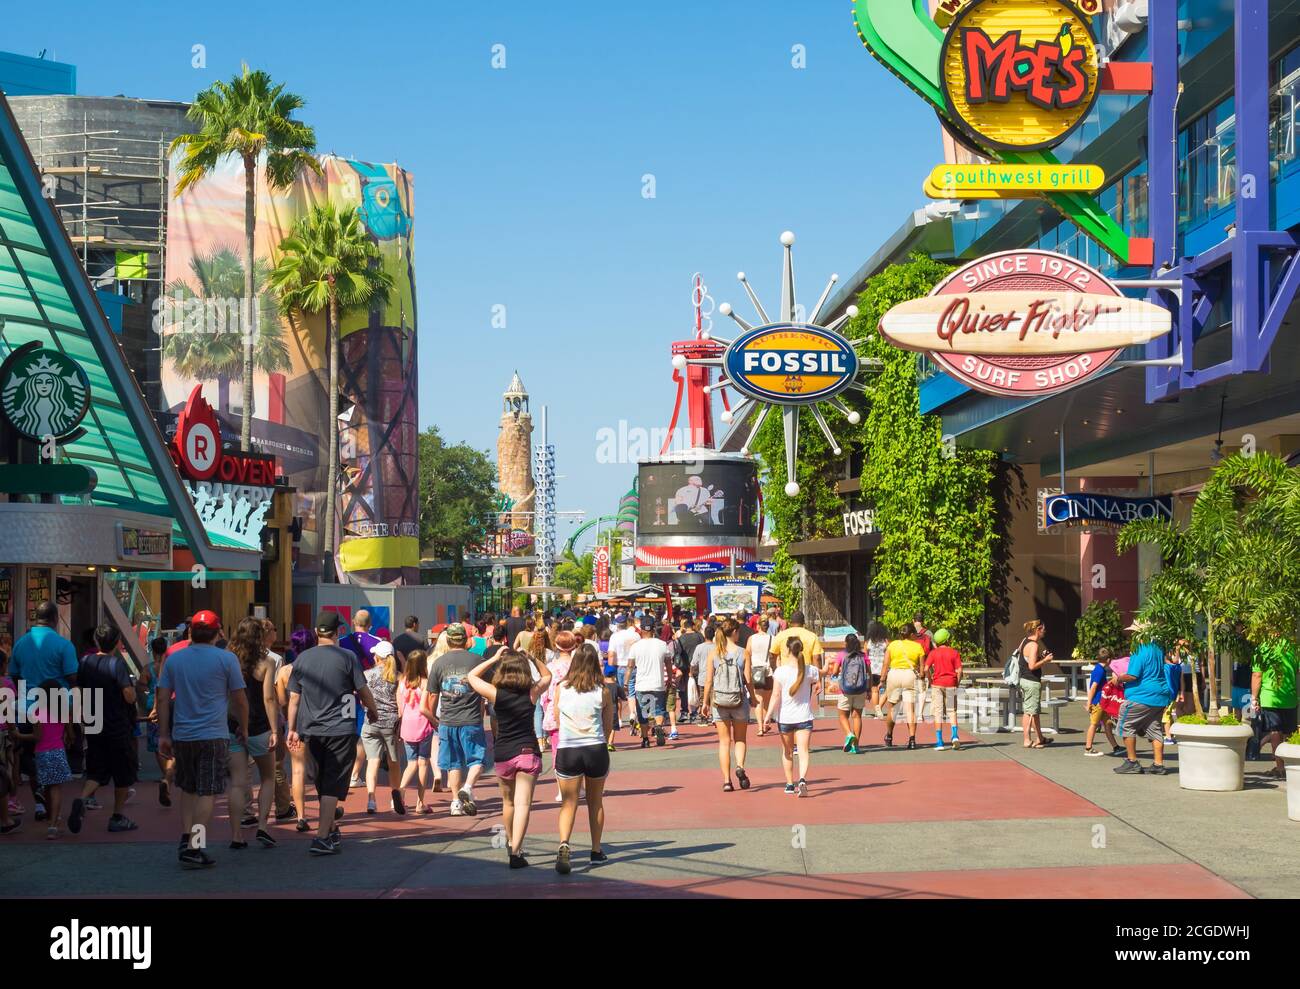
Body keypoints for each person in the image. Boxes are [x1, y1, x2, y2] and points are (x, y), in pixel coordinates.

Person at [156, 610, 246, 868]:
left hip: (183, 734)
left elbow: (163, 698)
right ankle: (195, 846)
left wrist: (164, 733)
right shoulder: (227, 659)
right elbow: (239, 698)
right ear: (218, 632)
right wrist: (244, 726)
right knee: (207, 791)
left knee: (189, 787)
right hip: (213, 734)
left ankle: (187, 838)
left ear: (191, 631)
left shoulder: (174, 659)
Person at [287, 610, 378, 855]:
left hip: (311, 730)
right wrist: (373, 711)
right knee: (331, 784)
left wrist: (291, 729)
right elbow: (363, 690)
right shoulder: (347, 657)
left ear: (317, 632)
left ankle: (332, 828)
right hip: (341, 728)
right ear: (338, 631)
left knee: (321, 781)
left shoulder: (302, 660)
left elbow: (294, 698)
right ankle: (321, 837)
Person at [467, 649, 551, 868]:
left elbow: (471, 677)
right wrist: (533, 658)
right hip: (527, 752)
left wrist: (494, 659)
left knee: (509, 802)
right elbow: (548, 676)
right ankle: (516, 852)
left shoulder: (496, 693)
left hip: (503, 754)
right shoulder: (531, 693)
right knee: (524, 803)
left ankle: (512, 841)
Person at [68, 624, 139, 836]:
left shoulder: (85, 662)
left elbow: (78, 690)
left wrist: (77, 715)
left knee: (97, 769)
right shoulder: (116, 664)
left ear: (97, 642)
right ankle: (117, 816)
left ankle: (82, 799)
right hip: (117, 725)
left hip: (94, 724)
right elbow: (128, 695)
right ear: (117, 642)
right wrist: (133, 693)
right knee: (123, 773)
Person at [9, 601, 77, 820]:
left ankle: (39, 803)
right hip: (56, 710)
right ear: (56, 619)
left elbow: (15, 676)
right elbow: (72, 678)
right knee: (55, 756)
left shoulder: (20, 644)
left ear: (35, 618)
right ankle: (52, 807)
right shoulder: (63, 645)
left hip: (28, 708)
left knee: (31, 757)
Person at [552, 643, 614, 874]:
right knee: (595, 801)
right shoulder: (603, 690)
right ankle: (596, 851)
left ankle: (564, 843)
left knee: (569, 802)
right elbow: (608, 726)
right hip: (595, 748)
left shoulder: (562, 688)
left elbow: (558, 720)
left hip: (569, 749)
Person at [224, 617, 279, 849]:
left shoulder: (228, 660)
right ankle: (263, 826)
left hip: (232, 726)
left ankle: (236, 834)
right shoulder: (266, 662)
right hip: (259, 726)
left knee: (237, 782)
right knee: (267, 778)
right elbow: (268, 698)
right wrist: (276, 729)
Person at [424, 623, 489, 817]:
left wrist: (434, 717)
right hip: (472, 718)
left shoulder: (439, 663)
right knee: (477, 759)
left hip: (448, 719)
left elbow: (432, 695)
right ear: (465, 640)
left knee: (453, 763)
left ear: (449, 640)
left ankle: (455, 802)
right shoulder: (477, 660)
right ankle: (467, 787)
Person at [701, 618, 752, 791]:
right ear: (735, 632)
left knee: (724, 742)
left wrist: (705, 702)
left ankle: (726, 781)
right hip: (739, 700)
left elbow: (708, 681)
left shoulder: (714, 653)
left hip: (719, 701)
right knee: (740, 739)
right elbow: (748, 680)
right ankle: (740, 766)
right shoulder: (743, 652)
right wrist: (753, 697)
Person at [1113, 628, 1173, 775]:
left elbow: (1133, 675)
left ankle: (1132, 761)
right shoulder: (1158, 648)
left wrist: (1119, 678)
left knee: (1126, 724)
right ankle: (1158, 764)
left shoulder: (1139, 650)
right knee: (1154, 728)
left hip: (1141, 695)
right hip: (1159, 695)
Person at [765, 638, 820, 796]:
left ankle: (790, 784)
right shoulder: (810, 670)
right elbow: (818, 678)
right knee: (803, 751)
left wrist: (768, 715)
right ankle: (802, 778)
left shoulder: (780, 671)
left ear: (787, 651)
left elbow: (775, 695)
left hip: (786, 718)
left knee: (787, 752)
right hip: (804, 716)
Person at [362, 640, 405, 814]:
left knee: (372, 761)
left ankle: (371, 800)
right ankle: (395, 796)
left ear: (378, 658)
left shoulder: (366, 674)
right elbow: (400, 703)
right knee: (393, 762)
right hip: (391, 723)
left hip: (371, 722)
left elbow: (362, 698)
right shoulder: (398, 676)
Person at [341, 610, 380, 789]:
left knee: (347, 732)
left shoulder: (341, 642)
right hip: (368, 696)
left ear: (352, 621)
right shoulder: (378, 643)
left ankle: (344, 771)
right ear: (370, 623)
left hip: (346, 696)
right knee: (363, 736)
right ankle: (355, 774)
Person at [274, 642, 310, 833]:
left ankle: (301, 815)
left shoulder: (284, 671)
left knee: (297, 771)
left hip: (293, 723)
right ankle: (329, 810)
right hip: (315, 721)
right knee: (320, 769)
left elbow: (281, 701)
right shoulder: (313, 667)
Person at [397, 649, 437, 813]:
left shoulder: (402, 682)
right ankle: (420, 803)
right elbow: (428, 708)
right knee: (423, 763)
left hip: (407, 725)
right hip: (423, 725)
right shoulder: (426, 683)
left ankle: (399, 792)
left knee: (411, 763)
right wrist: (435, 722)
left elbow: (400, 709)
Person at [1251, 638, 1298, 778]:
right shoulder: (1292, 646)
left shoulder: (1262, 648)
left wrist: (1254, 697)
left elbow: (1257, 675)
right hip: (1289, 696)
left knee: (1275, 731)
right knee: (1289, 732)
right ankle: (1291, 765)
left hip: (1270, 696)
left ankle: (1280, 767)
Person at [627, 616, 672, 747]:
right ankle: (658, 726)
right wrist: (669, 677)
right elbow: (668, 664)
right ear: (653, 629)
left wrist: (626, 682)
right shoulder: (662, 644)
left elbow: (630, 666)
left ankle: (645, 739)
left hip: (641, 684)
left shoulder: (635, 646)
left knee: (643, 712)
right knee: (659, 709)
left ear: (641, 630)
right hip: (658, 683)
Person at [879, 625, 925, 749]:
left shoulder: (892, 645)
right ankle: (912, 739)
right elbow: (922, 669)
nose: (916, 636)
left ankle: (889, 735)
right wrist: (921, 676)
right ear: (911, 635)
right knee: (910, 709)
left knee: (893, 709)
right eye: (914, 634)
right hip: (909, 676)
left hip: (894, 674)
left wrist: (882, 678)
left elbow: (885, 664)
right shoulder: (918, 647)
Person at [830, 633, 869, 753]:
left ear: (846, 643)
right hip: (861, 689)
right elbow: (869, 672)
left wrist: (834, 673)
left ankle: (849, 733)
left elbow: (835, 671)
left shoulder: (842, 655)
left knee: (842, 716)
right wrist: (868, 689)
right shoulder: (863, 655)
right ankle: (855, 746)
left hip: (845, 690)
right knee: (857, 716)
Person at [924, 628, 962, 750]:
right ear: (948, 640)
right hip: (951, 683)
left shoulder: (933, 653)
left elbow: (926, 669)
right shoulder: (954, 652)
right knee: (952, 711)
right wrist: (957, 682)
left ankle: (940, 741)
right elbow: (959, 670)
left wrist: (930, 680)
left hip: (937, 684)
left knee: (938, 713)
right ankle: (955, 736)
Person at [1018, 620, 1054, 749]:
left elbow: (1025, 658)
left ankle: (1040, 738)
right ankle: (1027, 740)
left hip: (1024, 680)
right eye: (1043, 629)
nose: (1045, 631)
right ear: (1038, 629)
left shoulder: (1024, 641)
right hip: (1031, 681)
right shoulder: (1033, 645)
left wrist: (1040, 657)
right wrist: (1045, 660)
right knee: (1029, 712)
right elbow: (1032, 666)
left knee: (1034, 711)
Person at [1083, 647, 1122, 756]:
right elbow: (1093, 687)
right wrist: (1089, 703)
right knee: (1094, 724)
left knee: (1108, 724)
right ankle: (1088, 748)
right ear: (1108, 660)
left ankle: (1115, 747)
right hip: (1098, 702)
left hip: (1102, 702)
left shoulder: (1099, 669)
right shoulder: (1100, 671)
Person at [608, 613, 640, 732]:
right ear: (627, 624)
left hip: (619, 667)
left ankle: (621, 718)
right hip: (634, 666)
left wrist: (610, 670)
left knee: (620, 694)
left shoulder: (614, 637)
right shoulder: (635, 635)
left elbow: (611, 654)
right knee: (632, 692)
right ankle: (633, 713)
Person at [745, 619, 775, 735]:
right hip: (768, 671)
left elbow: (747, 653)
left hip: (756, 671)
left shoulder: (752, 638)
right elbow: (774, 655)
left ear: (758, 626)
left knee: (758, 699)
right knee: (767, 700)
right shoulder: (773, 638)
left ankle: (760, 728)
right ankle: (765, 723)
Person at [864, 621, 889, 718]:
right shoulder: (885, 641)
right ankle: (880, 707)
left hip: (872, 669)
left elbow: (865, 654)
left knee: (874, 690)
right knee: (889, 690)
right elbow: (889, 653)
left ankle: (876, 712)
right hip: (883, 668)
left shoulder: (868, 641)